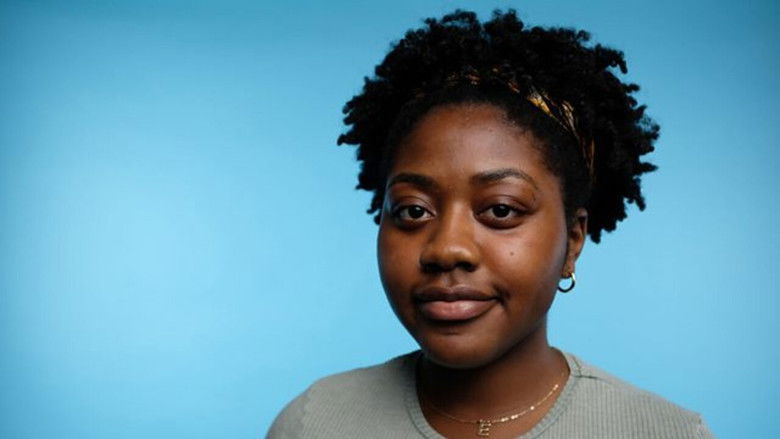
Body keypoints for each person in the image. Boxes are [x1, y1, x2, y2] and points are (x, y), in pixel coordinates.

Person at [267, 9, 712, 439]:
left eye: (500, 210)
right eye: (414, 211)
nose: (447, 249)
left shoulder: (667, 433)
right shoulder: (312, 424)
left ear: (573, 241)